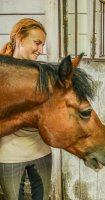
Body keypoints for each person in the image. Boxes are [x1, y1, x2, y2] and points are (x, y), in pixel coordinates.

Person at [0, 18, 52, 200]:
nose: (41, 50)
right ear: (20, 38)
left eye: (43, 45)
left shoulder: (42, 73)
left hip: (42, 151)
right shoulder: (2, 71)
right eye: (37, 43)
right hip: (9, 156)